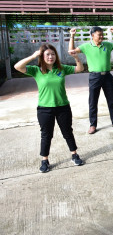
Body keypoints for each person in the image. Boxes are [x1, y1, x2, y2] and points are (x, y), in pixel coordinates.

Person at [14, 44, 84, 173]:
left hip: (63, 106)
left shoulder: (62, 68)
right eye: (47, 54)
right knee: (46, 135)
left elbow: (80, 69)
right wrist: (33, 56)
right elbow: (17, 66)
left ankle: (74, 155)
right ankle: (44, 160)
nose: (50, 57)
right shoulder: (36, 70)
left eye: (53, 54)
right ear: (42, 56)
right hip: (44, 109)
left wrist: (76, 58)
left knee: (67, 132)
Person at [69, 27, 113, 134]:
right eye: (99, 35)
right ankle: (93, 125)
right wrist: (72, 36)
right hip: (94, 77)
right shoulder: (86, 46)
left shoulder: (107, 45)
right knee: (93, 101)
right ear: (92, 35)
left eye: (102, 34)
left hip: (107, 76)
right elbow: (71, 51)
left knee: (111, 100)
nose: (101, 37)